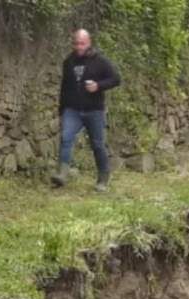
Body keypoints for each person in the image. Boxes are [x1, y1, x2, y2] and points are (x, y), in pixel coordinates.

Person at [51, 29, 121, 191]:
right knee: (66, 138)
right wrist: (62, 109)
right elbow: (65, 88)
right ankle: (62, 174)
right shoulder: (68, 62)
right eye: (75, 43)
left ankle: (103, 178)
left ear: (88, 43)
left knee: (97, 144)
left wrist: (98, 86)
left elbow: (116, 79)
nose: (78, 47)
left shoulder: (100, 61)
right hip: (72, 110)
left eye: (81, 43)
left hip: (94, 110)